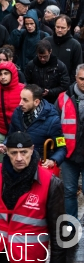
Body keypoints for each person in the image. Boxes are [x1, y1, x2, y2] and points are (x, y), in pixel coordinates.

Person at [0, 132, 65, 263]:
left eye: (24, 152)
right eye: (13, 153)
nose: (19, 158)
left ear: (32, 150)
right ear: (7, 152)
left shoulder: (51, 183)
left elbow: (58, 235)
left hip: (29, 258)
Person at [0, 84, 66, 169]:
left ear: (36, 102)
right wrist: (5, 144)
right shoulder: (17, 113)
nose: (20, 103)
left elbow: (62, 147)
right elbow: (11, 135)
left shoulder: (53, 120)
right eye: (21, 98)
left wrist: (52, 160)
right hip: (17, 164)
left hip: (38, 167)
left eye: (25, 100)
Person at [55, 63, 84, 225]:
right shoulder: (62, 99)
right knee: (69, 191)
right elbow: (56, 128)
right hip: (69, 155)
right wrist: (62, 146)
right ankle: (71, 227)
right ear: (75, 78)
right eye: (81, 79)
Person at [0, 62, 25, 161]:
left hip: (20, 134)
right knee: (2, 164)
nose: (3, 77)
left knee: (20, 162)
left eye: (6, 73)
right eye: (0, 74)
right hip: (0, 133)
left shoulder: (23, 90)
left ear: (13, 74)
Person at [24, 40, 70, 104]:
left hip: (54, 101)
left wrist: (50, 92)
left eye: (45, 56)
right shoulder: (31, 65)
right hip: (35, 100)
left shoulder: (60, 66)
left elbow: (65, 86)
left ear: (50, 52)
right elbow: (26, 82)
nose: (42, 59)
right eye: (40, 56)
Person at [45, 14, 83, 82]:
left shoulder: (75, 45)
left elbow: (77, 68)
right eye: (57, 27)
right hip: (47, 82)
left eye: (63, 28)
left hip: (66, 84)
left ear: (68, 27)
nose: (59, 30)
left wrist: (69, 85)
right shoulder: (46, 41)